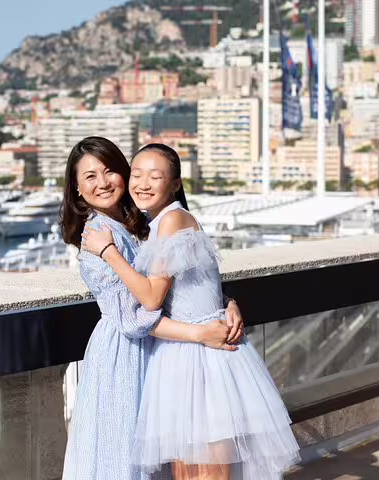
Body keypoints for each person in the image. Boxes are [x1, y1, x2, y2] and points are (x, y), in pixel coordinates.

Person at [82, 143, 300, 480]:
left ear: (175, 183)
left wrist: (109, 252)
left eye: (155, 176)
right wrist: (227, 301)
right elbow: (196, 283)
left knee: (206, 471)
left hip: (201, 357)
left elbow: (152, 299)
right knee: (189, 471)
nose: (142, 183)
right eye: (137, 174)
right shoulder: (153, 224)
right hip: (181, 356)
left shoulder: (171, 220)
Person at [60, 137, 245, 480]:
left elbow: (183, 281)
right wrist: (201, 333)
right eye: (89, 177)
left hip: (164, 352)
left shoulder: (142, 225)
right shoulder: (97, 238)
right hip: (124, 356)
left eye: (110, 171)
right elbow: (135, 317)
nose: (102, 183)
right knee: (124, 456)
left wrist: (225, 302)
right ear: (77, 189)